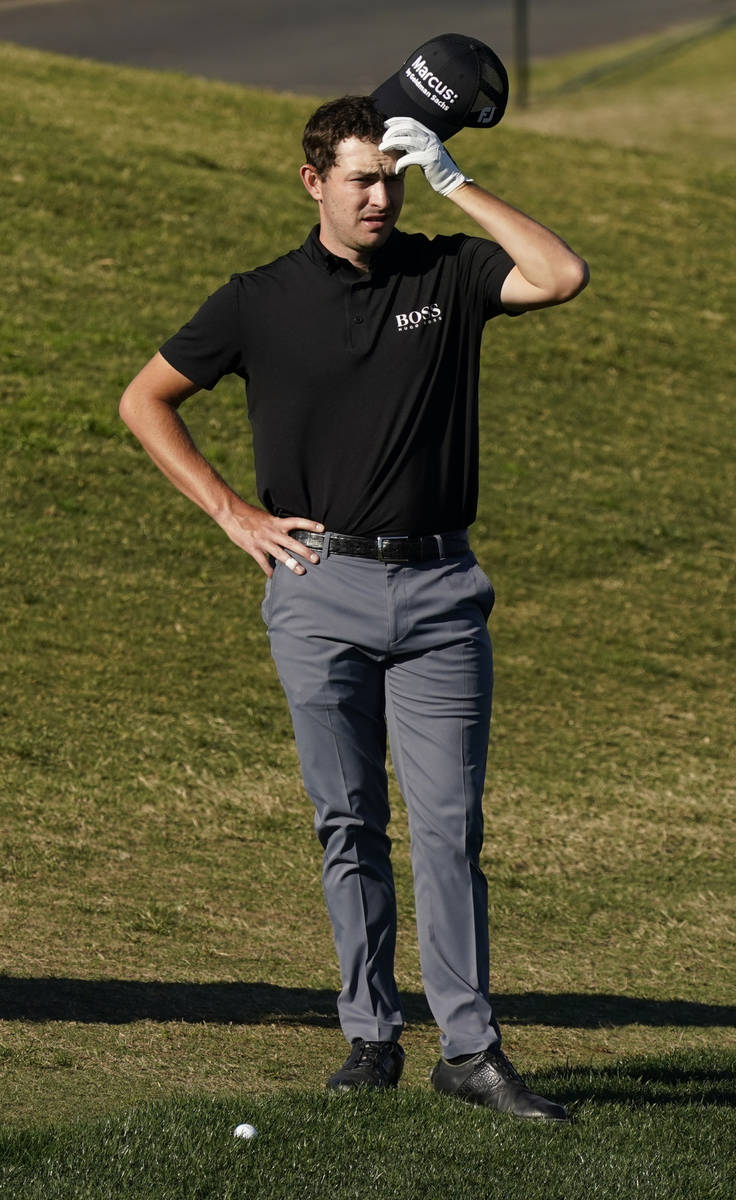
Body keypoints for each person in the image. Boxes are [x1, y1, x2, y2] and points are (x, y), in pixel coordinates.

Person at [120, 88, 588, 1121]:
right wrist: (231, 512)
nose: (380, 197)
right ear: (313, 183)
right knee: (348, 823)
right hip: (317, 586)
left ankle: (468, 1050)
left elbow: (559, 275)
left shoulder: (446, 272)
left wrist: (458, 184)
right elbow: (142, 398)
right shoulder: (256, 299)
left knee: (448, 827)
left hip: (438, 594)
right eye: (361, 179)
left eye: (394, 177)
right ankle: (369, 1036)